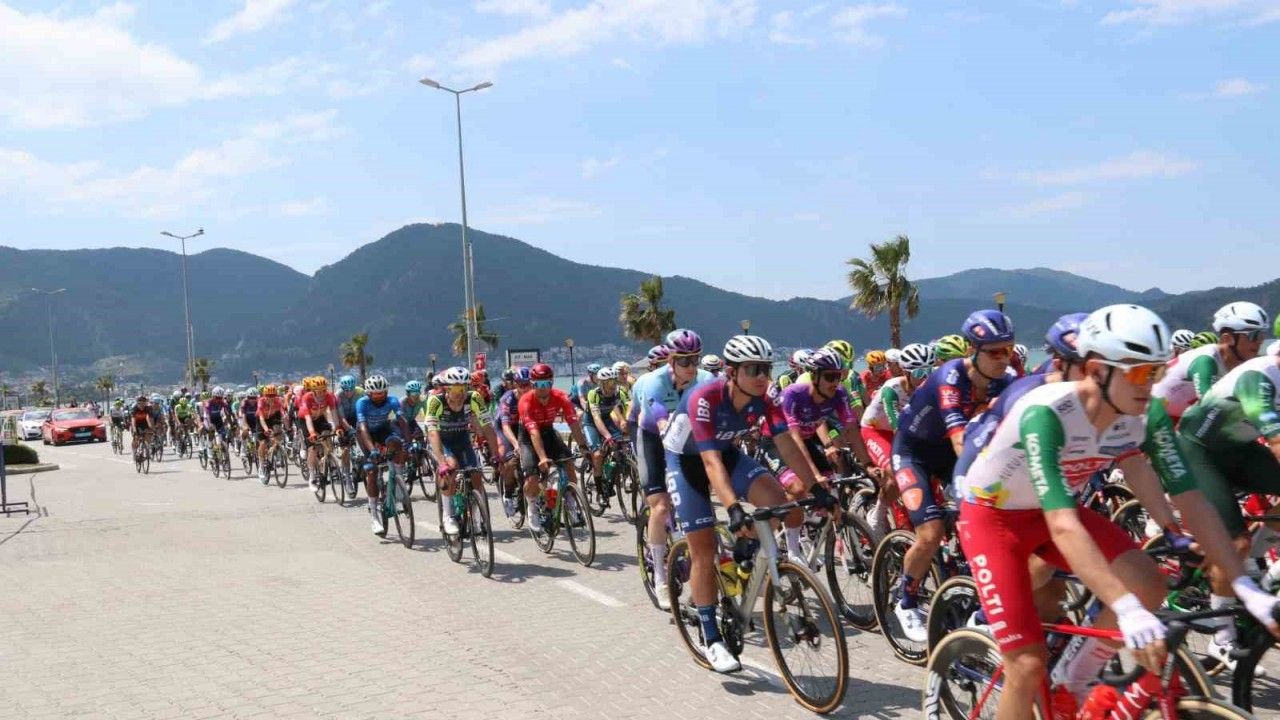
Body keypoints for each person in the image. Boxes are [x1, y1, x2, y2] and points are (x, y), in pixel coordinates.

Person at [954, 304, 1279, 719]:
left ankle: (1072, 682)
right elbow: (1064, 525)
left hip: (1051, 513)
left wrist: (1244, 585)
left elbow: (1190, 499)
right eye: (1140, 373)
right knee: (1027, 664)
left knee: (1150, 583)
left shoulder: (1145, 413)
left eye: (1157, 371)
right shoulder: (1046, 413)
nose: (1151, 385)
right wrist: (1125, 610)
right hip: (994, 519)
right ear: (1097, 370)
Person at [662, 335, 831, 672]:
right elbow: (709, 462)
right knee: (703, 549)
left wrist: (815, 487)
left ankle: (744, 548)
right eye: (753, 369)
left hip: (726, 454)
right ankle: (711, 638)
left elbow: (786, 444)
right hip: (686, 462)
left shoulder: (765, 399)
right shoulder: (705, 397)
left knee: (779, 502)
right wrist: (733, 507)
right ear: (731, 372)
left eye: (766, 369)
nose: (762, 376)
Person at [890, 310, 1016, 640]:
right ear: (971, 350)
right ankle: (906, 601)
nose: (1004, 359)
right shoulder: (950, 378)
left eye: (1008, 349)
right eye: (995, 352)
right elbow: (960, 440)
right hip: (913, 453)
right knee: (930, 534)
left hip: (947, 453)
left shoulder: (1004, 380)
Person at [1177, 349, 1280, 665]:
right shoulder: (1259, 376)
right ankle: (1222, 639)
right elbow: (1277, 441)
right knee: (1235, 544)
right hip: (1199, 452)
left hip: (1238, 450)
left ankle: (1259, 575)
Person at [628, 335, 714, 609]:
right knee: (661, 506)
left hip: (685, 438)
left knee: (702, 501)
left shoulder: (705, 379)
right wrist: (666, 427)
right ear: (671, 361)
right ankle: (660, 577)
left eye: (695, 360)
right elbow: (658, 414)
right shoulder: (654, 381)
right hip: (652, 436)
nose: (692, 367)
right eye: (685, 362)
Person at [859, 342, 933, 539]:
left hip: (904, 431)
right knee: (895, 471)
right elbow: (896, 426)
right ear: (906, 372)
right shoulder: (891, 388)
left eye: (929, 371)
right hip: (876, 430)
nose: (925, 377)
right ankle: (878, 515)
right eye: (919, 373)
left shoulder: (929, 388)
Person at [1152, 301, 1268, 424]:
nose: (1260, 341)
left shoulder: (1239, 364)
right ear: (1227, 338)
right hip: (1154, 415)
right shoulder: (1206, 360)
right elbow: (1207, 405)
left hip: (1177, 415)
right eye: (1254, 336)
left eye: (1262, 336)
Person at [426, 367, 500, 536]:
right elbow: (432, 432)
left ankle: (475, 517)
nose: (461, 393)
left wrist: (496, 455)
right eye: (456, 388)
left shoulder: (474, 398)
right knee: (450, 467)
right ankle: (448, 516)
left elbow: (488, 427)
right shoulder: (436, 401)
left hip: (462, 439)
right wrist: (441, 462)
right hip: (442, 441)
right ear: (447, 388)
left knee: (476, 475)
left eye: (464, 388)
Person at [517, 364, 590, 532]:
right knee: (532, 478)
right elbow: (533, 432)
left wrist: (583, 446)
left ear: (551, 383)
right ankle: (532, 506)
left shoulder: (561, 397)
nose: (542, 388)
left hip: (549, 432)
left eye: (546, 384)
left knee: (569, 464)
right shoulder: (525, 401)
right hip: (528, 437)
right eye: (538, 384)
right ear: (532, 384)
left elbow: (573, 423)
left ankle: (571, 501)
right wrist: (542, 457)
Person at [355, 375, 405, 536]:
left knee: (397, 443)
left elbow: (402, 420)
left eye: (382, 393)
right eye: (375, 394)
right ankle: (374, 515)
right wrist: (373, 450)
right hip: (365, 434)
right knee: (372, 470)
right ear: (368, 394)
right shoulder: (362, 403)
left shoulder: (392, 400)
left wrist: (409, 442)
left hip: (383, 430)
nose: (379, 396)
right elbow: (363, 427)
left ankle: (398, 481)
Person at [585, 366, 630, 504]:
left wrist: (623, 421)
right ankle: (600, 491)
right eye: (610, 383)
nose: (613, 386)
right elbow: (596, 419)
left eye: (615, 381)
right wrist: (608, 436)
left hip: (607, 420)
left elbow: (618, 409)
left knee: (622, 448)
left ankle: (612, 479)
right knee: (598, 455)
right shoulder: (594, 394)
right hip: (591, 423)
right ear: (601, 383)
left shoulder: (618, 392)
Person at [495, 366, 531, 516]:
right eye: (522, 385)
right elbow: (505, 426)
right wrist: (516, 445)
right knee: (511, 461)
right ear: (515, 384)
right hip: (505, 428)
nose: (525, 388)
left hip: (521, 427)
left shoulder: (533, 396)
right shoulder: (508, 398)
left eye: (528, 384)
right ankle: (508, 494)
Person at [299, 376, 341, 488]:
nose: (322, 393)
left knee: (327, 436)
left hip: (319, 418)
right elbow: (307, 418)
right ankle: (312, 475)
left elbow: (333, 412)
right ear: (313, 391)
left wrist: (337, 427)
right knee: (313, 448)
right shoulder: (307, 397)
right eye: (319, 391)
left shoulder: (329, 396)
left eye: (324, 390)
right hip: (305, 420)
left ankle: (332, 464)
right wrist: (312, 433)